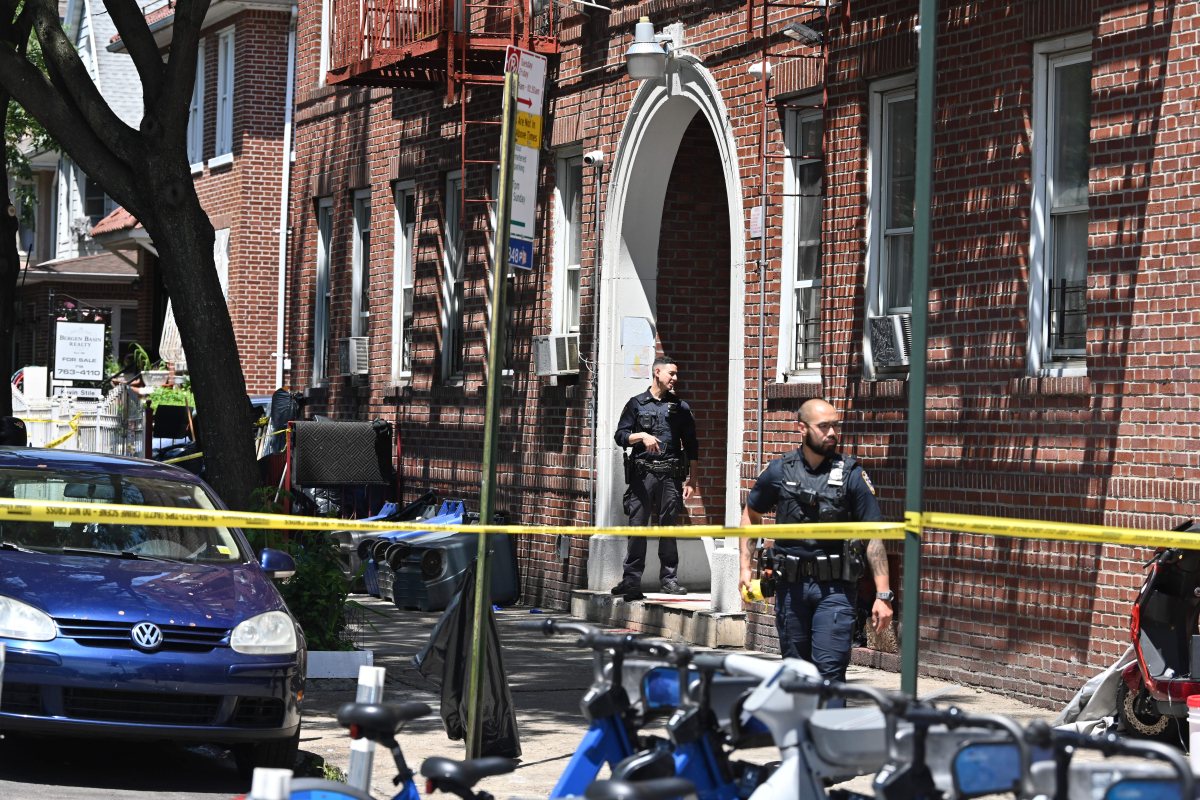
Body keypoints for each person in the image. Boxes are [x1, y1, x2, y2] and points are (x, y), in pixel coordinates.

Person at [738, 398, 893, 682]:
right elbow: (751, 514)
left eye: (835, 425)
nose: (832, 433)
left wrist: (883, 595)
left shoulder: (852, 474)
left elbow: (874, 536)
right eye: (824, 426)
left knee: (829, 673)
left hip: (835, 590)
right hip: (790, 588)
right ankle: (799, 727)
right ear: (801, 428)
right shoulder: (779, 471)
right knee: (795, 674)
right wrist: (746, 569)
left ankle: (829, 726)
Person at [611, 356, 699, 601]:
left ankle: (669, 579)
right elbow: (620, 436)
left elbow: (692, 446)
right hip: (643, 475)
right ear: (657, 372)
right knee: (637, 528)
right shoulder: (636, 404)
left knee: (668, 529)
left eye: (676, 374)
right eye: (671, 373)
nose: (675, 379)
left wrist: (693, 481)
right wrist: (641, 435)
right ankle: (631, 581)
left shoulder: (680, 408)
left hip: (670, 476)